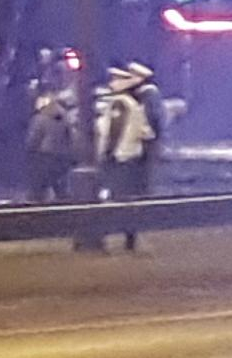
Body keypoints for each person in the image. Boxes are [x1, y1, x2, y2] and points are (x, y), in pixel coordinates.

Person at [94, 61, 163, 246]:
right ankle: (130, 237)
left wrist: (107, 154)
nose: (112, 83)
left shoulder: (120, 104)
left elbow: (114, 132)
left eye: (115, 79)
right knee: (129, 198)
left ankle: (113, 235)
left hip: (119, 157)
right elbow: (147, 132)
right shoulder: (133, 104)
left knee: (114, 198)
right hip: (131, 156)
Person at [24, 79, 80, 203]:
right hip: (62, 157)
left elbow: (34, 139)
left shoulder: (41, 117)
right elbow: (72, 137)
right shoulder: (65, 117)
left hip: (44, 157)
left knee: (37, 190)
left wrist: (29, 152)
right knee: (61, 190)